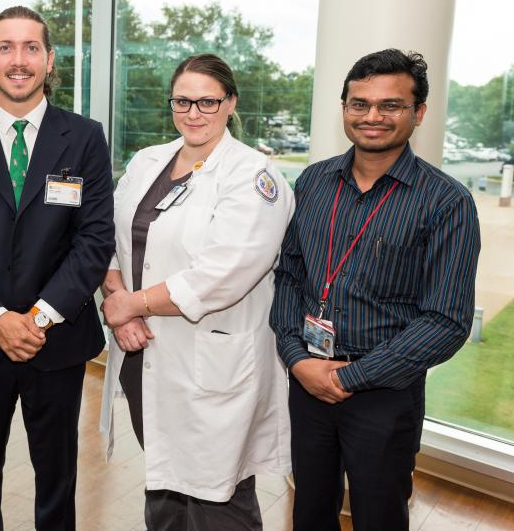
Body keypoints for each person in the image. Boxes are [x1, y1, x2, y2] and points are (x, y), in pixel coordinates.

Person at [269, 49, 481, 531]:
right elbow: (291, 276)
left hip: (385, 392)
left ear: (418, 112)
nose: (372, 117)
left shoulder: (447, 202)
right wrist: (296, 357)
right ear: (344, 108)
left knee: (379, 517)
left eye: (391, 105)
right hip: (308, 378)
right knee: (308, 512)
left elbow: (446, 321)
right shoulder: (315, 181)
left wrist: (349, 378)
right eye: (359, 103)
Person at [0, 5, 115, 530]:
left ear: (49, 60)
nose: (18, 60)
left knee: (56, 473)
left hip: (56, 338)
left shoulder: (83, 137)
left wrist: (38, 318)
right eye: (5, 48)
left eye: (31, 47)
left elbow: (94, 238)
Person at [99, 53, 294, 530]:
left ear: (231, 103)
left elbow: (222, 274)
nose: (193, 112)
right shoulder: (148, 161)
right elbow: (109, 239)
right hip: (143, 351)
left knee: (218, 493)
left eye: (207, 101)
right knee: (163, 481)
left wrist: (131, 304)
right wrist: (120, 307)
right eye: (182, 101)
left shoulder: (253, 176)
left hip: (212, 361)